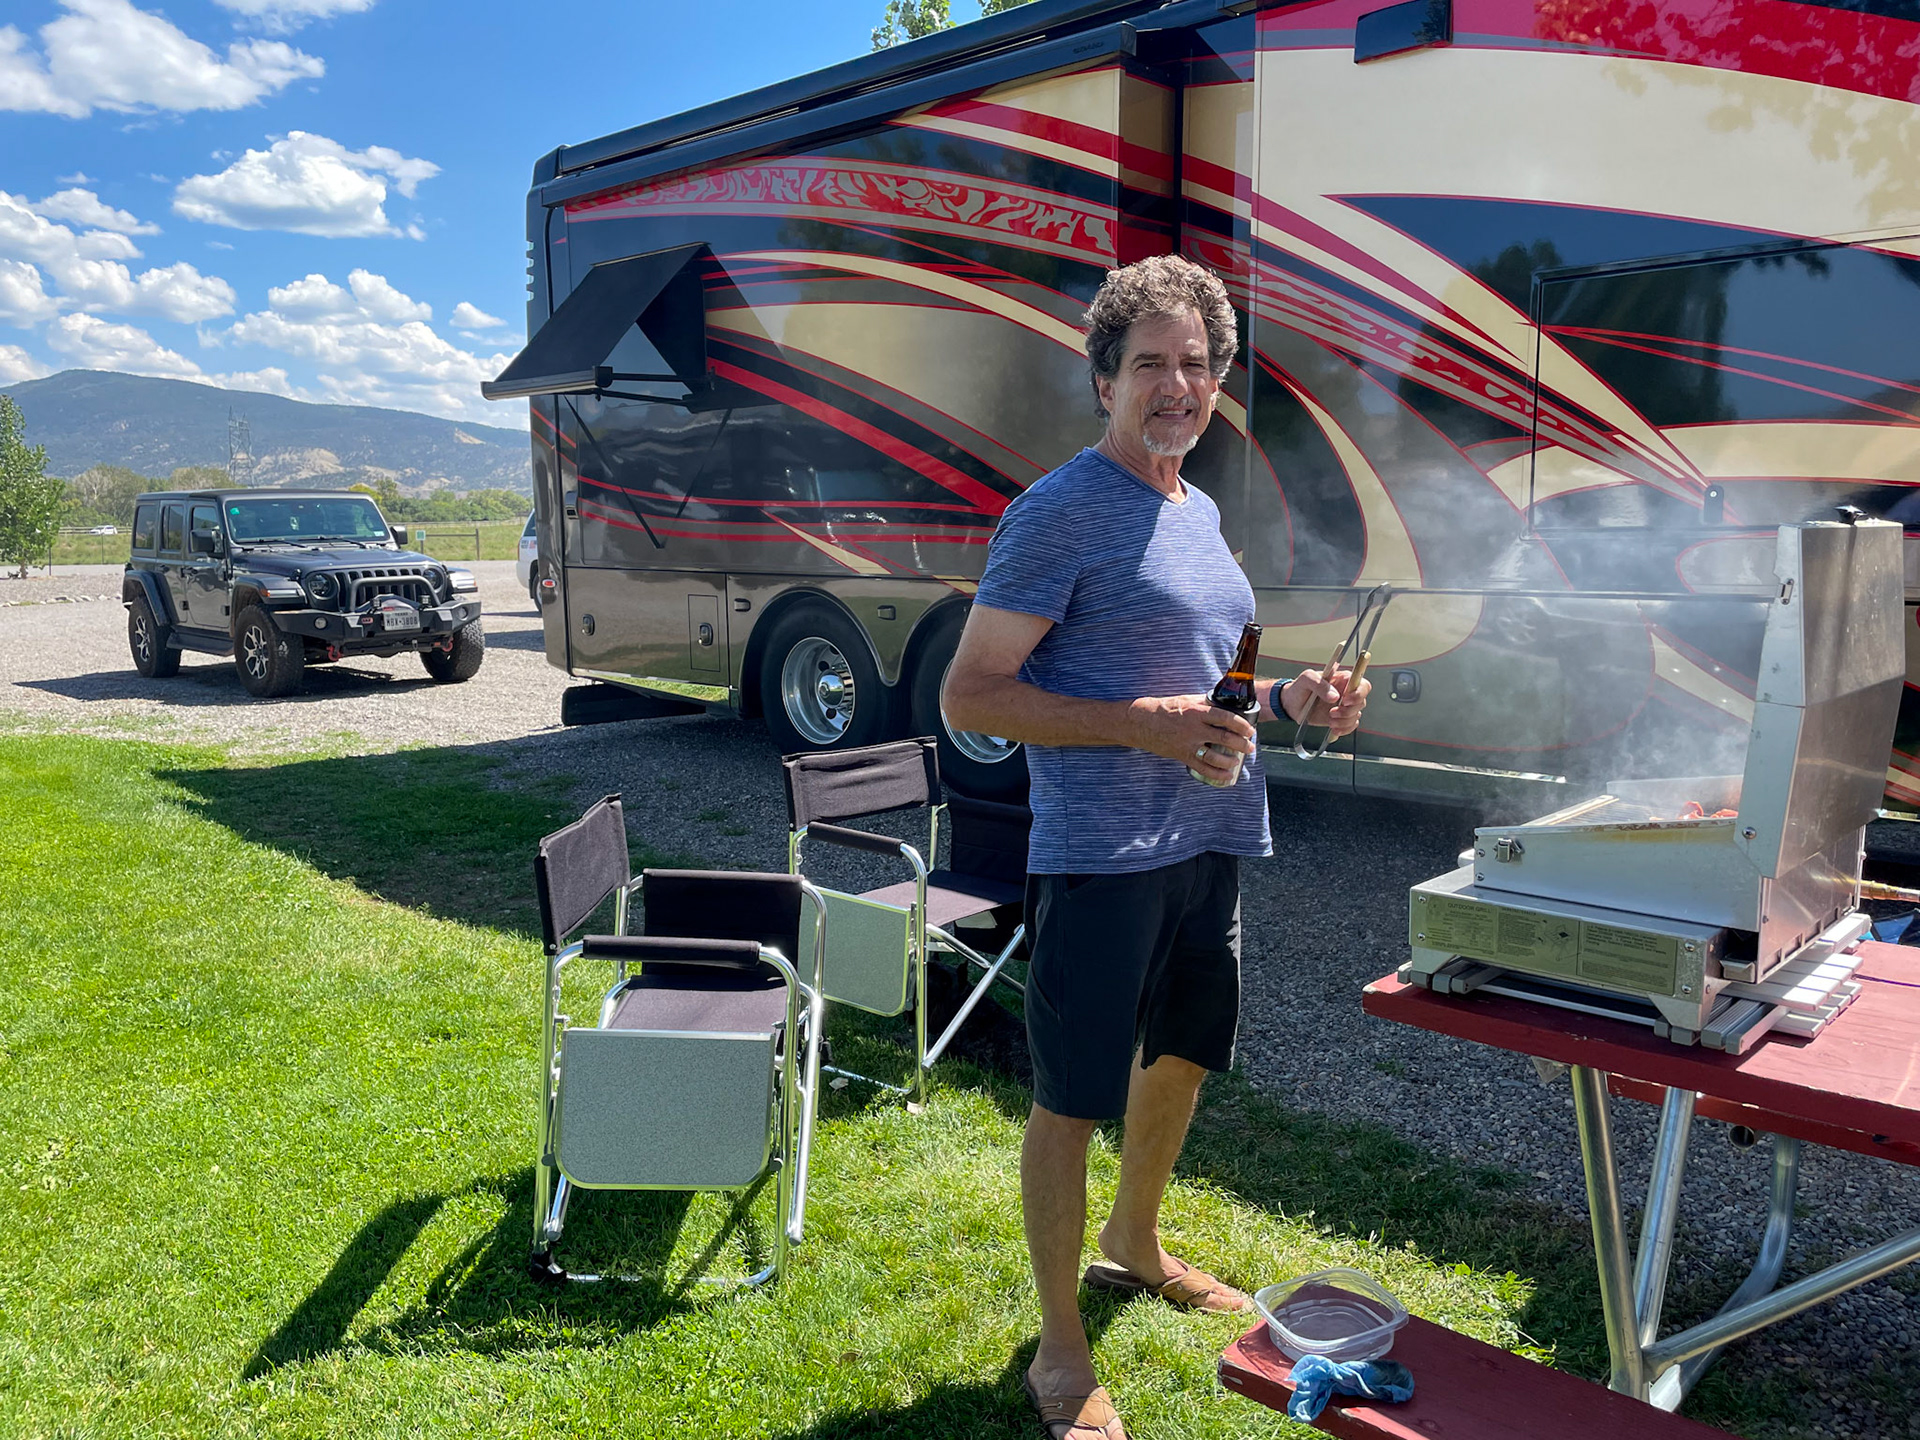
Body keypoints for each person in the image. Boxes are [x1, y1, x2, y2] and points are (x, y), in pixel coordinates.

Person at [941, 255, 1371, 1440]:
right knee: (1073, 1098)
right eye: (1150, 365)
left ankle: (1133, 1246)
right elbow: (971, 696)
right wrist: (1145, 730)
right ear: (1104, 381)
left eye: (1196, 365)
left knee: (1178, 1057)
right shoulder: (1061, 510)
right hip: (1100, 850)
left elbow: (1208, 690)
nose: (1175, 385)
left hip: (1209, 831)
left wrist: (1293, 702)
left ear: (1219, 380)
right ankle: (1061, 1349)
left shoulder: (1197, 510)